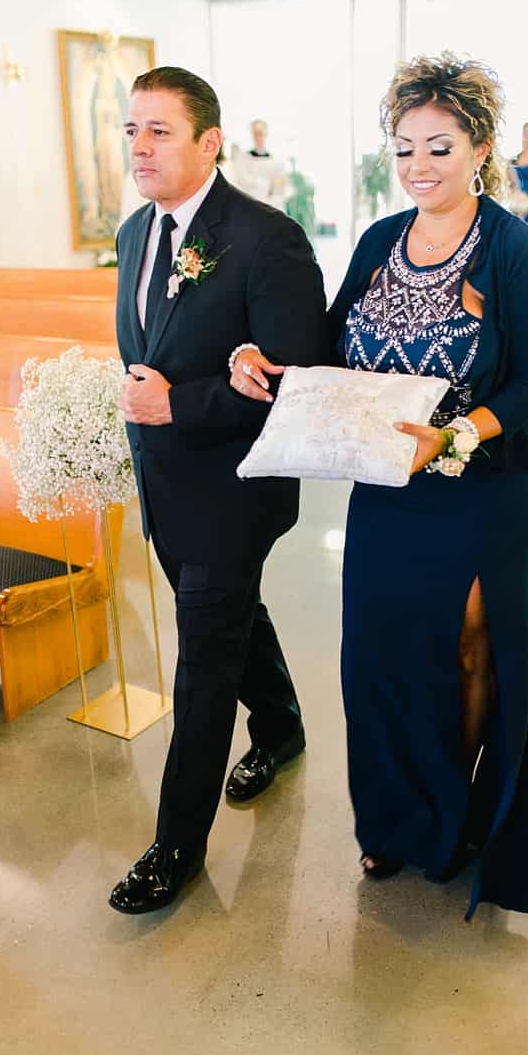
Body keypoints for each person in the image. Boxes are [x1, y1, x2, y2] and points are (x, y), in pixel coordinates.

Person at [232, 53, 528, 918]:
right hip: (388, 483)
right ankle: (393, 819)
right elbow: (335, 343)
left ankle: (459, 821)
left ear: (481, 148)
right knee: (379, 656)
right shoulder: (383, 240)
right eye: (406, 149)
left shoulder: (518, 253)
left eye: (441, 149)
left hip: (482, 485)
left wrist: (455, 434)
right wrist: (260, 356)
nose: (421, 167)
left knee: (465, 654)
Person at [109, 67, 329, 914]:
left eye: (159, 130)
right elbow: (144, 357)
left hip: (235, 490)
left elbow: (297, 376)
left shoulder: (267, 239)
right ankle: (281, 724)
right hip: (168, 486)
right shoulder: (135, 234)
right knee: (235, 617)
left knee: (202, 663)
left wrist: (180, 404)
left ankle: (175, 848)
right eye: (131, 129)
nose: (139, 146)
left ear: (210, 142)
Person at [232, 119, 290, 207]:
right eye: (254, 133)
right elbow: (239, 184)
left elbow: (279, 192)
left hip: (269, 209)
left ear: (266, 133)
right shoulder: (242, 160)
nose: (257, 137)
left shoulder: (277, 163)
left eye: (260, 133)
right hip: (247, 207)